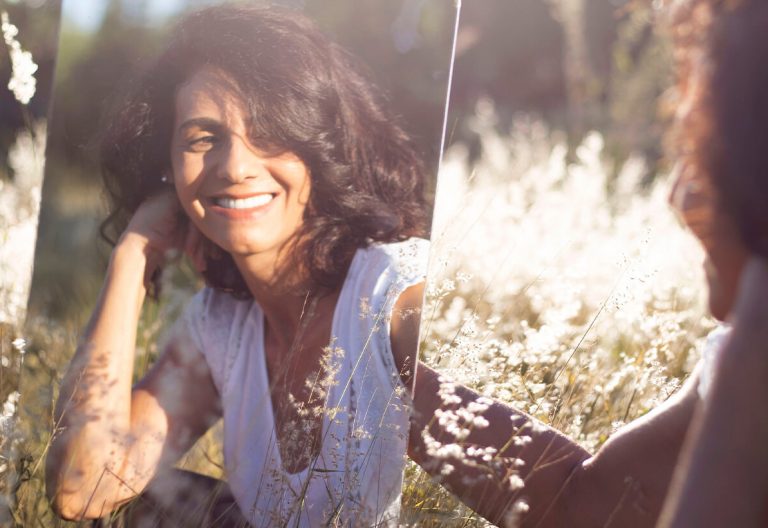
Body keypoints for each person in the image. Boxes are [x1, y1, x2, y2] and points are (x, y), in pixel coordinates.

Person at [45, 5, 433, 526]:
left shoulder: (398, 294)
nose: (234, 166)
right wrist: (133, 255)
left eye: (269, 130)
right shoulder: (222, 327)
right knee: (144, 508)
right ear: (168, 167)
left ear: (320, 143)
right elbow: (84, 488)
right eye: (202, 139)